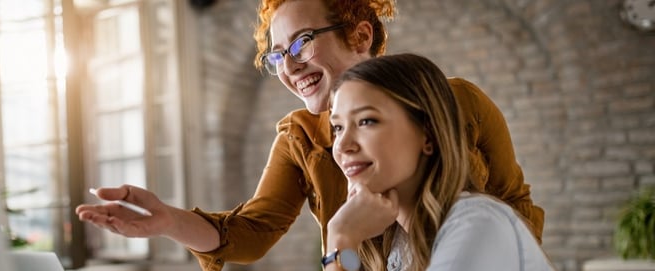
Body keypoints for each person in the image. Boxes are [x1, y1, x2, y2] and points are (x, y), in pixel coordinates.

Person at [76, 0, 545, 270]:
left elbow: (514, 209)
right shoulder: (301, 137)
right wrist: (166, 221)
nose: (291, 66)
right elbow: (252, 232)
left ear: (360, 36)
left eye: (301, 42)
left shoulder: (458, 114)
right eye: (278, 55)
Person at [324, 53, 553, 271]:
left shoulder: (477, 225)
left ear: (429, 134)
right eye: (338, 127)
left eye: (366, 121)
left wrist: (341, 239)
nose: (342, 146)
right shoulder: (398, 247)